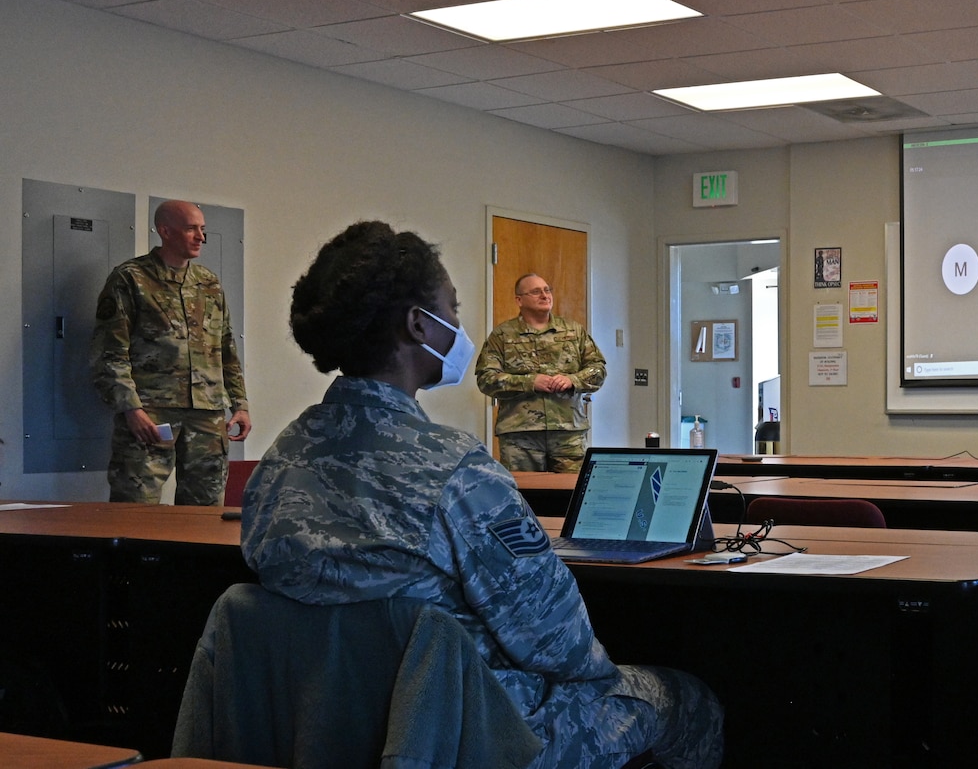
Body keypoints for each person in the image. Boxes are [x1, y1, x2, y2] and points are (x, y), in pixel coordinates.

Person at [240, 221, 721, 768]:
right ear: (419, 325)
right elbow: (559, 646)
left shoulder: (282, 459)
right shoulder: (458, 472)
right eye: (452, 306)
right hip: (477, 729)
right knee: (686, 697)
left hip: (321, 727)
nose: (459, 324)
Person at [89, 199, 250, 504]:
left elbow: (226, 348)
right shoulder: (130, 279)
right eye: (191, 229)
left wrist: (240, 404)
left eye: (202, 229)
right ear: (165, 231)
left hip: (206, 415)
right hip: (150, 413)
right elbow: (109, 352)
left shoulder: (209, 283)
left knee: (205, 511)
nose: (201, 237)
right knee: (135, 505)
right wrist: (130, 408)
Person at [477, 272, 606, 472]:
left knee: (571, 495)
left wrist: (572, 380)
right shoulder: (502, 335)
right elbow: (486, 379)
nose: (545, 296)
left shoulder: (573, 331)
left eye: (547, 290)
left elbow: (598, 369)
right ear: (519, 300)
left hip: (568, 433)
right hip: (520, 435)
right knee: (526, 496)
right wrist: (530, 382)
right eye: (536, 292)